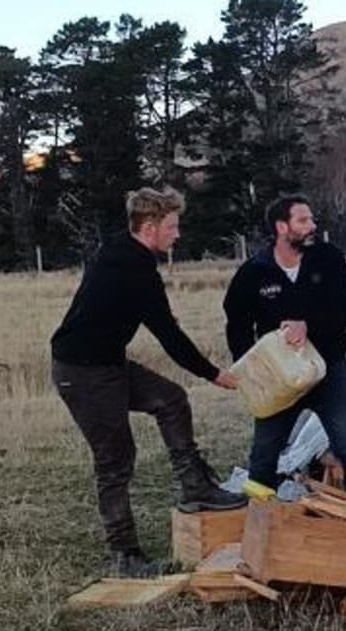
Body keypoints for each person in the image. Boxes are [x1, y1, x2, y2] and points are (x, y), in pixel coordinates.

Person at [50, 187, 247, 576]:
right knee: (115, 460)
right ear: (150, 227)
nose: (178, 234)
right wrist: (214, 374)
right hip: (82, 372)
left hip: (108, 364)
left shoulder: (123, 249)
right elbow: (168, 336)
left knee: (170, 399)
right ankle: (126, 556)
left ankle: (195, 485)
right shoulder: (134, 270)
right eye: (173, 226)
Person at [224, 194, 346, 494]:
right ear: (282, 227)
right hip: (278, 379)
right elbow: (236, 322)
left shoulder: (330, 259)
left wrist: (308, 324)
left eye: (312, 219)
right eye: (303, 220)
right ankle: (256, 522)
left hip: (328, 369)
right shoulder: (254, 272)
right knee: (263, 456)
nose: (312, 225)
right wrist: (247, 366)